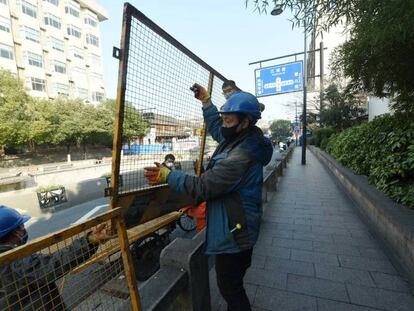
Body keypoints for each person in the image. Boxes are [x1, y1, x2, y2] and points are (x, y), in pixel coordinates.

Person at [144, 84, 273, 311]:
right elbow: (217, 126)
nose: (224, 123)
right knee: (232, 285)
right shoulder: (241, 137)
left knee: (230, 289)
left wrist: (169, 175)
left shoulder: (243, 154)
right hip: (237, 224)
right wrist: (206, 102)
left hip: (236, 233)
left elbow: (205, 186)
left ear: (246, 122)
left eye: (229, 120)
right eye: (224, 117)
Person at [0, 205, 113, 311]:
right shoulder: (15, 261)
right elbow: (55, 262)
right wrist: (89, 241)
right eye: (21, 226)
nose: (23, 230)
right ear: (15, 233)